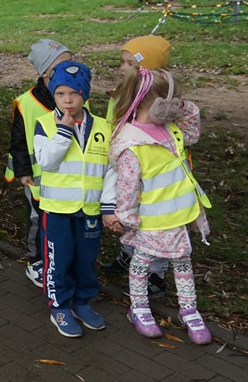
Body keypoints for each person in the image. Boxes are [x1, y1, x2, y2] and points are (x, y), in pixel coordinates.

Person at [106, 68, 212, 344]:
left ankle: (190, 309)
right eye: (167, 102)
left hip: (178, 215)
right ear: (145, 102)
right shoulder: (131, 144)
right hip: (151, 219)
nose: (173, 108)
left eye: (176, 102)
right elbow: (127, 188)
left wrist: (182, 105)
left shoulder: (171, 131)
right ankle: (139, 307)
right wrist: (126, 218)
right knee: (142, 262)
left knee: (182, 261)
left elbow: (193, 132)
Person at [33, 61, 109, 337]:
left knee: (86, 259)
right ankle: (60, 305)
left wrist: (108, 205)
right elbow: (47, 162)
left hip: (89, 209)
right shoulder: (44, 125)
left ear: (84, 94)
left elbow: (108, 169)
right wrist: (64, 131)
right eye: (60, 94)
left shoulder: (102, 126)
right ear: (53, 95)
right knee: (59, 259)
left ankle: (82, 301)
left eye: (74, 93)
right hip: (58, 210)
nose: (67, 100)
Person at [102, 34, 174, 299]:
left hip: (152, 175)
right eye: (122, 62)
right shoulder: (120, 94)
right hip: (126, 164)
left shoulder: (156, 103)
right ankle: (128, 255)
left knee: (154, 223)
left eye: (130, 63)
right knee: (129, 216)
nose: (122, 68)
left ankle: (156, 276)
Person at [5, 39, 72, 288]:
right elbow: (19, 141)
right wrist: (22, 171)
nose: (71, 68)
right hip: (36, 180)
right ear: (45, 72)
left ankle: (58, 258)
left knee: (60, 221)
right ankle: (35, 261)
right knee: (37, 219)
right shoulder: (27, 103)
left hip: (67, 180)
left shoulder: (76, 97)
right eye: (64, 64)